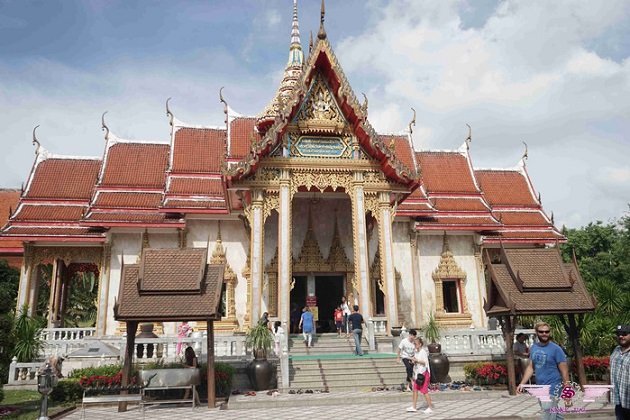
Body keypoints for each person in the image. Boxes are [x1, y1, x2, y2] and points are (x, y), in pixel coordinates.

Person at [517, 322, 571, 420]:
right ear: (537, 332)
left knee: (547, 413)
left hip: (553, 387)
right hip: (540, 386)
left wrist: (567, 390)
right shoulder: (534, 347)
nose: (544, 334)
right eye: (541, 332)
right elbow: (531, 367)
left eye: (547, 331)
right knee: (555, 414)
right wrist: (522, 383)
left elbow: (564, 371)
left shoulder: (556, 349)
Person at [407, 336, 434, 413]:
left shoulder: (423, 352)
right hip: (418, 373)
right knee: (415, 389)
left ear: (420, 344)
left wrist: (416, 360)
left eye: (416, 344)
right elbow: (416, 361)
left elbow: (425, 362)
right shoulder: (416, 352)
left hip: (424, 374)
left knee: (424, 391)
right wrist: (413, 361)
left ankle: (430, 407)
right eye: (414, 344)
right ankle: (414, 407)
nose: (414, 345)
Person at [610, 324, 630, 420]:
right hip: (619, 401)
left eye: (624, 333)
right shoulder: (616, 350)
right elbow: (611, 370)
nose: (621, 336)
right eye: (618, 334)